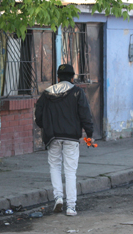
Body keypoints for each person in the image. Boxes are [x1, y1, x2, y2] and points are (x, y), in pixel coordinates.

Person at [35, 64, 94, 216]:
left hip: (52, 136)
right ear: (73, 77)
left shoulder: (47, 93)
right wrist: (89, 133)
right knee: (70, 170)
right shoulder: (77, 92)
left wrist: (45, 126)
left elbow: (38, 116)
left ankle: (58, 198)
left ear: (58, 78)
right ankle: (71, 207)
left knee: (54, 166)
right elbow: (85, 114)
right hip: (71, 137)